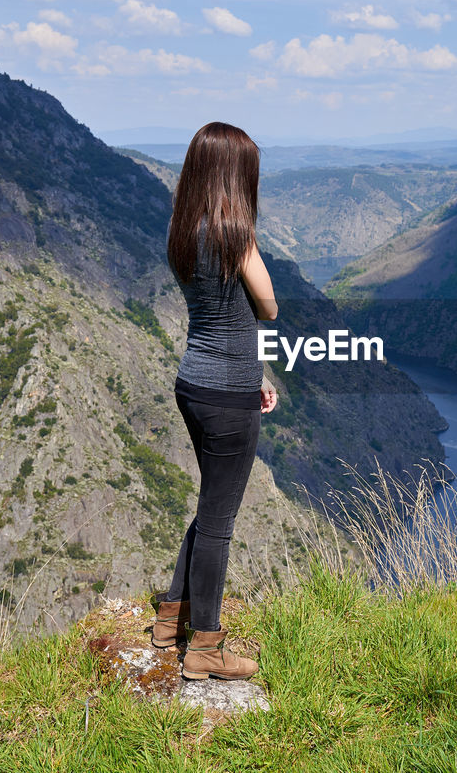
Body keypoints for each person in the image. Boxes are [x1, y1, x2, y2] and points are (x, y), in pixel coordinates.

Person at [150, 121, 278, 681]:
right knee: (220, 521)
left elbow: (221, 316)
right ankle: (205, 647)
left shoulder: (183, 233)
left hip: (195, 385)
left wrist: (260, 373)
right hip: (229, 397)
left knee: (208, 507)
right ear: (234, 175)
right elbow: (267, 305)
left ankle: (168, 619)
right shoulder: (236, 238)